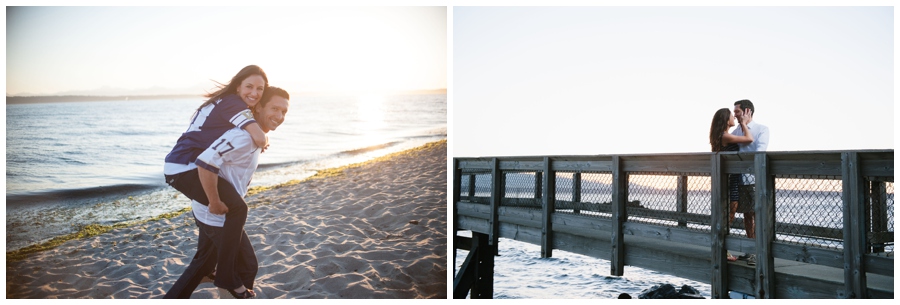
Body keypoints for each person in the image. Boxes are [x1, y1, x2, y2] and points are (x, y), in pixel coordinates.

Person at [164, 86, 290, 299]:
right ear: (257, 107)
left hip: (211, 211)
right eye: (274, 108)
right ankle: (228, 285)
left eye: (284, 112)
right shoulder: (242, 136)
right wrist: (214, 200)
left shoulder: (253, 137)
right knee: (247, 266)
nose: (279, 116)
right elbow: (204, 163)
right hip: (215, 213)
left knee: (202, 266)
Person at [709, 107, 754, 262]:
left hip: (730, 179)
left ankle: (722, 249)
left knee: (728, 216)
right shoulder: (725, 136)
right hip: (729, 181)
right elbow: (749, 139)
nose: (734, 117)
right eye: (731, 115)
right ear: (725, 120)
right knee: (728, 216)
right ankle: (723, 250)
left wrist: (742, 124)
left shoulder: (722, 135)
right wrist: (745, 123)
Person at [731, 99, 769, 266]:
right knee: (746, 216)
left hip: (754, 178)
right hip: (738, 178)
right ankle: (750, 250)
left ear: (747, 111)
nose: (735, 114)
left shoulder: (762, 129)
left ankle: (758, 252)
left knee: (755, 214)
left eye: (737, 111)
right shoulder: (735, 131)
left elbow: (760, 151)